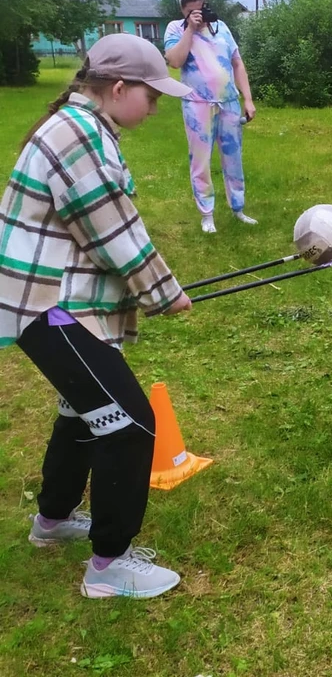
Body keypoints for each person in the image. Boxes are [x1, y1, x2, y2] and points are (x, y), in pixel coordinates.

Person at [0, 33, 194, 598]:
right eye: (151, 96)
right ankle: (109, 567)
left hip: (52, 304)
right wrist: (164, 293)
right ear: (117, 88)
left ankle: (52, 521)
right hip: (48, 308)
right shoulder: (79, 135)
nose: (155, 107)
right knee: (132, 426)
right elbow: (114, 234)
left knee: (86, 413)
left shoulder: (80, 125)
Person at [164, 0, 257, 234]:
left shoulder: (221, 27)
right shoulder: (175, 28)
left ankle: (238, 208)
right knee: (201, 161)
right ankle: (207, 214)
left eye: (201, 8)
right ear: (183, 11)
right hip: (197, 105)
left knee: (233, 158)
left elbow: (237, 63)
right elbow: (174, 61)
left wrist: (247, 99)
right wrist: (189, 31)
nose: (199, 14)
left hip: (229, 103)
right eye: (192, 10)